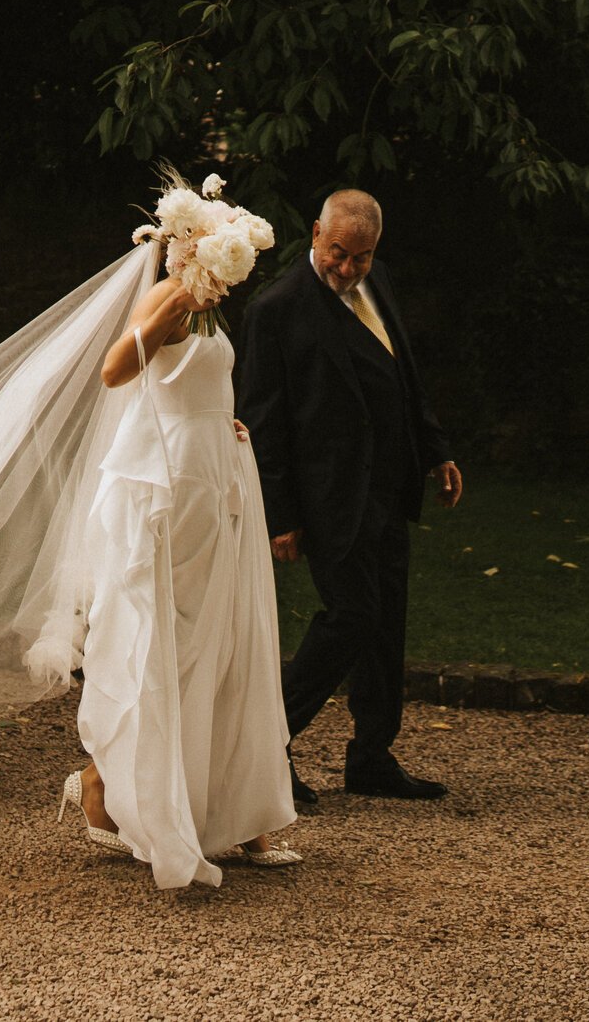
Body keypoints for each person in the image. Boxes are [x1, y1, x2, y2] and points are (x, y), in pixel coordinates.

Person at [59, 224, 300, 889]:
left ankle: (241, 816)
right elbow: (116, 371)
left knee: (227, 640)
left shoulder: (210, 311)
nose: (229, 277)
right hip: (167, 491)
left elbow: (195, 383)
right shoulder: (168, 298)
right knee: (169, 642)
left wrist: (223, 419)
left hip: (215, 478)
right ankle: (104, 781)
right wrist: (173, 303)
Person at [236, 188, 462, 802]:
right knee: (353, 616)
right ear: (314, 234)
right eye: (339, 253)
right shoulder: (275, 309)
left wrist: (437, 450)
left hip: (390, 487)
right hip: (327, 499)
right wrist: (279, 515)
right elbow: (261, 420)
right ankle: (259, 745)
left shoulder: (378, 280)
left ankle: (371, 756)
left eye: (360, 257)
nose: (348, 268)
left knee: (386, 621)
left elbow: (405, 375)